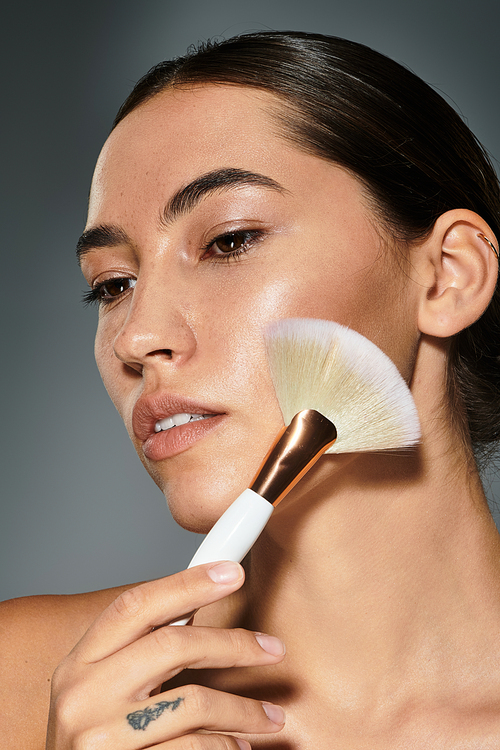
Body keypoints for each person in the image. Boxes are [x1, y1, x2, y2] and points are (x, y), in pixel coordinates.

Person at [1, 30, 500, 749]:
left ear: (449, 275)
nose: (136, 337)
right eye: (112, 286)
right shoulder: (24, 683)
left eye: (229, 240)